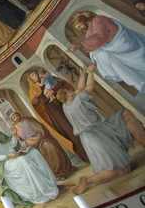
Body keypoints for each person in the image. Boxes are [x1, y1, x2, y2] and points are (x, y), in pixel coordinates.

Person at [59, 63, 145, 194]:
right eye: (68, 90)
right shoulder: (78, 100)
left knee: (126, 115)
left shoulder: (66, 106)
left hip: (91, 135)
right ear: (67, 95)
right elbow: (88, 87)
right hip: (96, 134)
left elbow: (79, 88)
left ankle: (89, 180)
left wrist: (83, 73)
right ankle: (88, 180)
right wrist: (91, 72)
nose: (71, 90)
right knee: (121, 170)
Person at [0, 123, 59, 207]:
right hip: (3, 164)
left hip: (13, 156)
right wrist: (8, 156)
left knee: (34, 153)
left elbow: (11, 145)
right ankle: (38, 193)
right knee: (23, 160)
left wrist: (14, 135)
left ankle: (49, 186)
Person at [68, 13, 145, 93]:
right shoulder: (88, 34)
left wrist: (79, 45)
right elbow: (92, 47)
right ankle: (137, 81)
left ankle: (138, 81)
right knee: (100, 55)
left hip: (123, 42)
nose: (80, 30)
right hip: (114, 50)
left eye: (79, 27)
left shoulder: (99, 20)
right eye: (78, 29)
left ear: (83, 21)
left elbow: (100, 38)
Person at [27, 69, 89, 162]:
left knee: (78, 122)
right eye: (32, 75)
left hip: (63, 103)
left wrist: (52, 90)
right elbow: (35, 103)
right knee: (69, 129)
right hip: (53, 111)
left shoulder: (47, 79)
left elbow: (61, 83)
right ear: (30, 79)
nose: (35, 76)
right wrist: (40, 96)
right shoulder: (33, 89)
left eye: (35, 74)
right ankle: (85, 154)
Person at [10, 112, 75, 180]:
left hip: (41, 139)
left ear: (20, 115)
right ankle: (55, 176)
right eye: (14, 117)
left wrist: (39, 137)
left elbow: (41, 128)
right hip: (29, 146)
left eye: (17, 115)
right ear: (13, 120)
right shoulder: (14, 128)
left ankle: (60, 171)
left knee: (49, 146)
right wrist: (26, 143)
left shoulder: (29, 120)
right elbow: (18, 141)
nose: (16, 117)